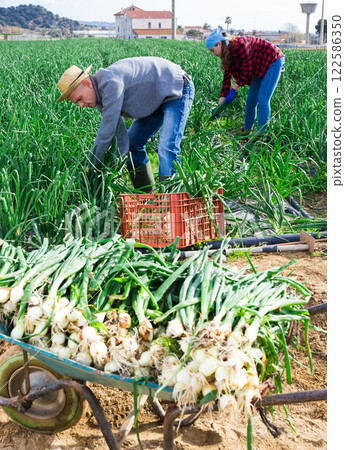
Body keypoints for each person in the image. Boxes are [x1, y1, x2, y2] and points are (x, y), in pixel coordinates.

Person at [56, 57, 194, 192]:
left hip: (177, 88)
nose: (81, 105)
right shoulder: (100, 98)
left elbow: (105, 134)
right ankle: (147, 197)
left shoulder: (110, 83)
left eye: (80, 99)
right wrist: (116, 165)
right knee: (133, 145)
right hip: (156, 98)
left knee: (167, 146)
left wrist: (90, 167)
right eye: (77, 103)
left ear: (87, 83)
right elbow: (121, 138)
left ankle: (172, 203)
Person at [206, 27, 284, 137]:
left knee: (263, 98)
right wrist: (219, 106)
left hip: (272, 60)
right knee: (251, 101)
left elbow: (247, 70)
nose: (213, 54)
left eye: (212, 50)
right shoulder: (226, 54)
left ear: (219, 44)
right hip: (258, 66)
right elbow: (226, 80)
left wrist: (234, 89)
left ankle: (260, 136)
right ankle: (247, 132)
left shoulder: (240, 45)